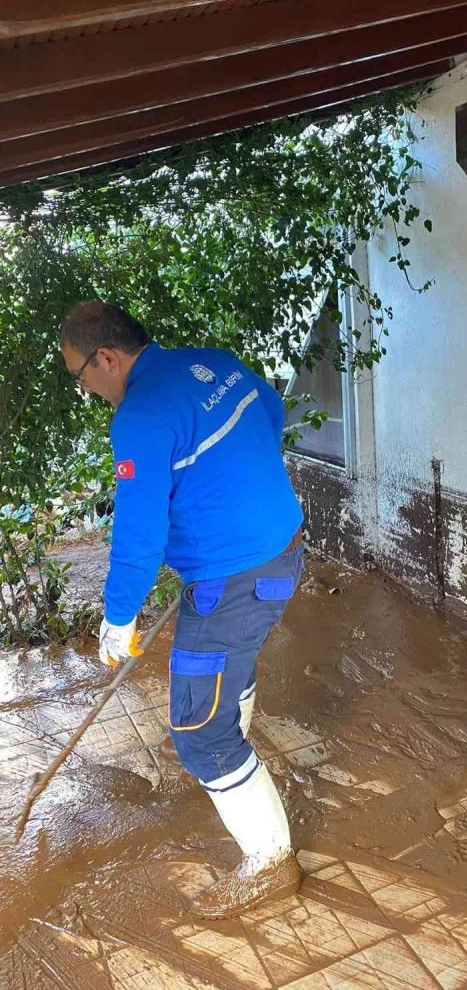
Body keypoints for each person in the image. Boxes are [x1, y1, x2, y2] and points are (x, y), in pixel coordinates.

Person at [60, 301, 305, 919]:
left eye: (80, 376)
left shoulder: (140, 415)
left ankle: (272, 863)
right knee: (234, 667)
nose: (87, 390)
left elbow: (138, 533)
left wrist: (119, 617)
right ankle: (237, 760)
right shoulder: (213, 363)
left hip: (233, 579)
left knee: (198, 732)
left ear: (106, 358)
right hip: (282, 553)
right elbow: (269, 416)